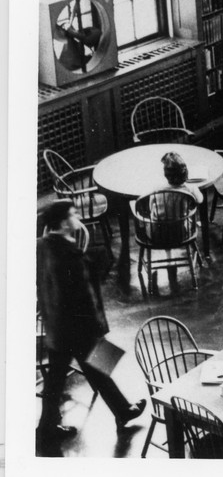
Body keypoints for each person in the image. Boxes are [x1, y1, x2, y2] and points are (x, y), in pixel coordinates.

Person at [36, 200, 146, 452]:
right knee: (96, 367)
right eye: (73, 215)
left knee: (62, 378)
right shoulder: (69, 255)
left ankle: (49, 429)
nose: (77, 219)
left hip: (57, 326)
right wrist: (98, 329)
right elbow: (84, 296)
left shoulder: (42, 246)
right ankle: (121, 412)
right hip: (76, 328)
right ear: (64, 222)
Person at [150, 151, 203, 216]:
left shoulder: (157, 188)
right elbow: (200, 200)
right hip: (180, 224)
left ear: (166, 174)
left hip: (159, 224)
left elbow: (151, 206)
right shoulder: (190, 188)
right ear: (185, 173)